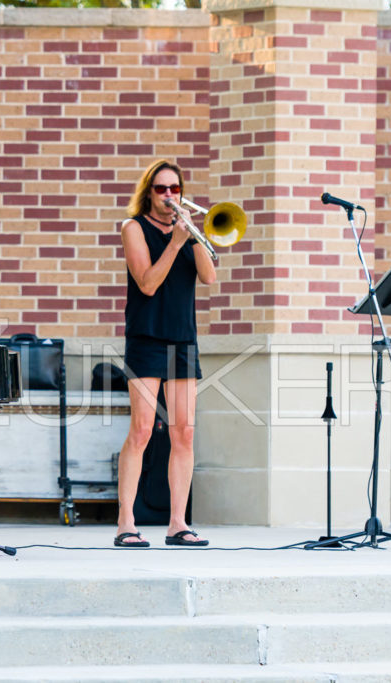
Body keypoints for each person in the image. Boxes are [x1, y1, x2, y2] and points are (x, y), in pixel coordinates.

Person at [114, 159, 217, 548]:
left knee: (184, 433)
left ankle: (177, 523)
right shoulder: (133, 228)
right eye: (161, 189)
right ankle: (126, 521)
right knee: (141, 432)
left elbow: (209, 277)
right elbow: (148, 283)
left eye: (175, 189)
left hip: (182, 340)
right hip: (146, 338)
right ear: (149, 191)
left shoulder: (186, 231)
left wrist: (194, 235)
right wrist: (174, 244)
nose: (169, 196)